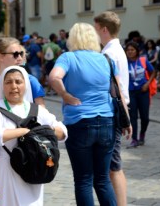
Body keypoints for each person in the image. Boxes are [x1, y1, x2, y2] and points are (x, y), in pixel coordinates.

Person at [48, 22, 128, 206]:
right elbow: (118, 92)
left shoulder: (68, 58)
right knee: (102, 179)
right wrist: (127, 120)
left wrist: (65, 95)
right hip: (107, 122)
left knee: (83, 179)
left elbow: (54, 77)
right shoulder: (106, 59)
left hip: (79, 122)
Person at [0, 66, 66, 206]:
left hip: (33, 168)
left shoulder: (36, 110)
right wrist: (26, 133)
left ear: (26, 84)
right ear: (2, 86)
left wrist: (45, 132)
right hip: (5, 171)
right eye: (8, 82)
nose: (14, 86)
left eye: (18, 82)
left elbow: (62, 131)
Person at [93, 11, 130, 206]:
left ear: (104, 29)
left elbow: (113, 88)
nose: (95, 33)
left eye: (96, 29)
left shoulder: (109, 53)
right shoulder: (115, 49)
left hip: (113, 109)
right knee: (113, 165)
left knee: (114, 167)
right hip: (118, 108)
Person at [0, 37, 45, 108]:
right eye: (15, 54)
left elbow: (41, 111)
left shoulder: (31, 80)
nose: (20, 58)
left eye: (21, 54)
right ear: (1, 57)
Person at [124, 42, 156, 148]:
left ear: (137, 51)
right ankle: (134, 139)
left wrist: (148, 83)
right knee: (133, 116)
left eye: (132, 50)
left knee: (145, 117)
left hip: (143, 92)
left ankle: (142, 134)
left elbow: (153, 72)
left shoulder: (143, 60)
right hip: (131, 92)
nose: (130, 52)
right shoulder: (124, 62)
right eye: (128, 50)